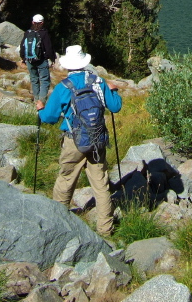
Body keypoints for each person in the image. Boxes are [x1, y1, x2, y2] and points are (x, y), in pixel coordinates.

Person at [37, 45, 122, 236]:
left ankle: (59, 224)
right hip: (97, 139)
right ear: (85, 63)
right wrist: (114, 90)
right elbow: (115, 107)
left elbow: (49, 117)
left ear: (68, 66)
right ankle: (105, 229)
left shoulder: (63, 87)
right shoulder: (99, 82)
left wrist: (40, 109)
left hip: (73, 140)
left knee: (66, 179)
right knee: (100, 184)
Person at [19, 14, 56, 105]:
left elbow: (22, 46)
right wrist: (52, 58)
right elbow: (49, 48)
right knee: (44, 80)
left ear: (32, 22)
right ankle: (41, 101)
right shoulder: (44, 33)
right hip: (41, 60)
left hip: (29, 60)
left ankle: (36, 99)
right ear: (42, 23)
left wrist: (23, 58)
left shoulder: (27, 33)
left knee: (34, 79)